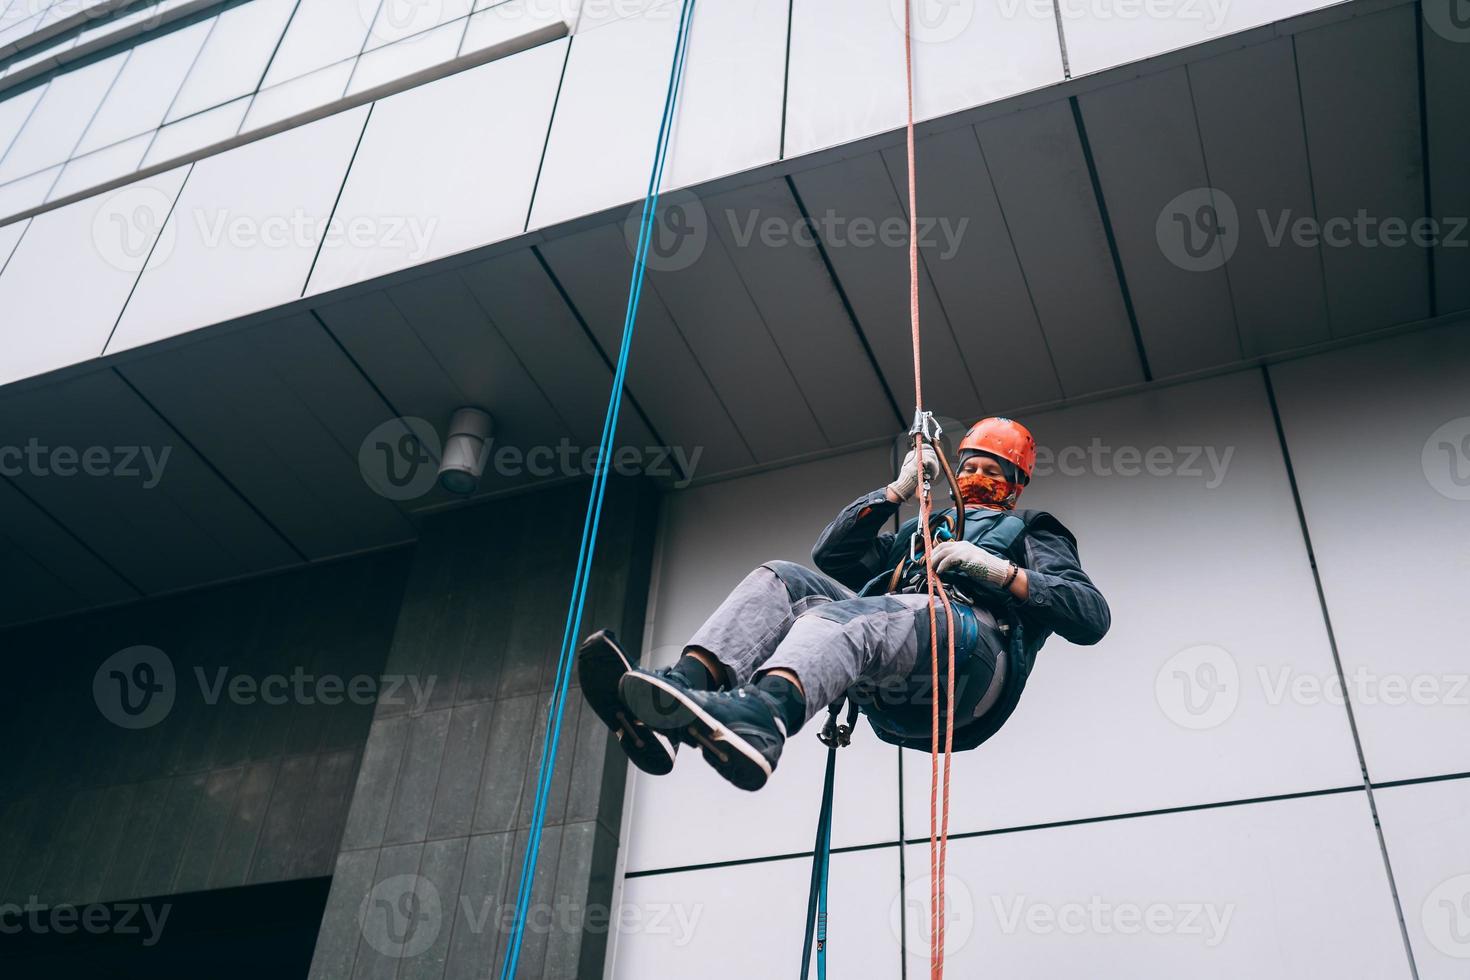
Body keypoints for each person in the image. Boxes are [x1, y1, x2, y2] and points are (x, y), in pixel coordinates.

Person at [577, 417, 1111, 791]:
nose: (979, 479)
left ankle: (765, 716)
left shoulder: (1028, 528)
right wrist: (896, 493)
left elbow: (1090, 616)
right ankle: (685, 690)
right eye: (971, 466)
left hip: (970, 657)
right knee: (783, 580)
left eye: (995, 473)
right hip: (895, 661)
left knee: (848, 616)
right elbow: (834, 554)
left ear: (1015, 488)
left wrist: (998, 570)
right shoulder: (923, 533)